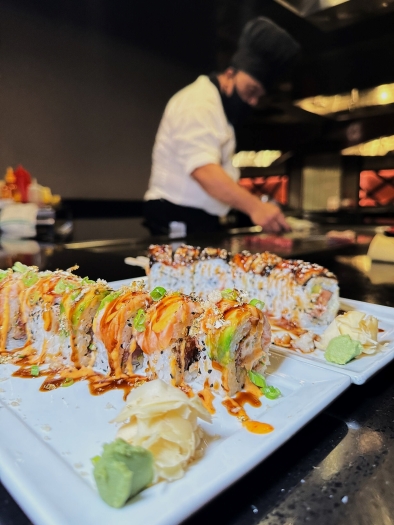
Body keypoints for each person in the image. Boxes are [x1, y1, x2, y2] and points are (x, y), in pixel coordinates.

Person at [143, 17, 301, 236]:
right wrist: (256, 207)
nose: (253, 102)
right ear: (230, 73)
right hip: (177, 218)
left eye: (259, 96)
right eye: (251, 90)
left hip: (200, 220)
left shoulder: (221, 111)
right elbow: (204, 170)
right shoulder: (199, 102)